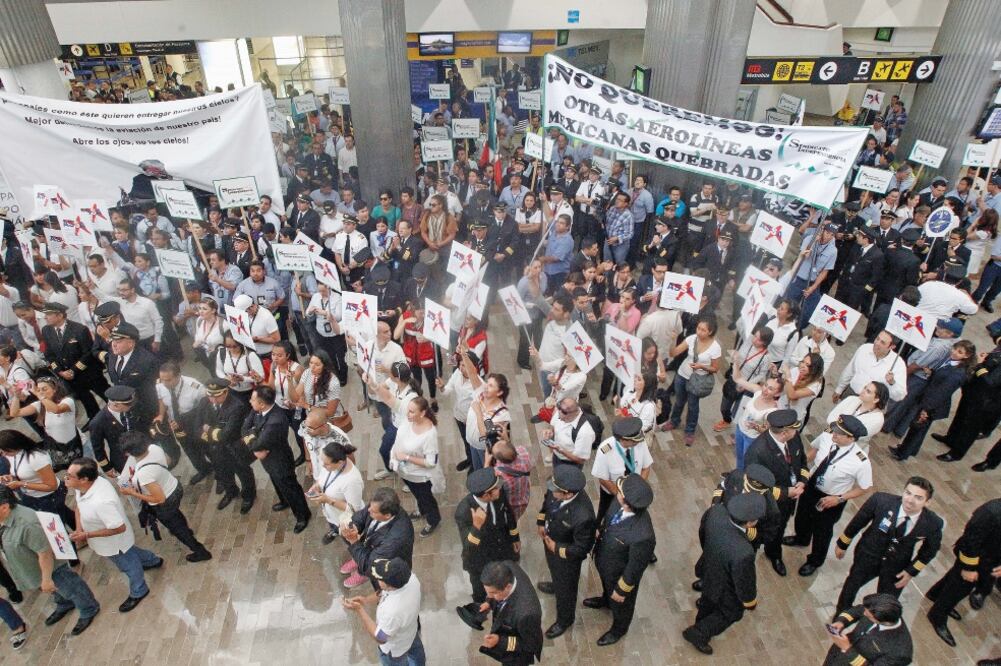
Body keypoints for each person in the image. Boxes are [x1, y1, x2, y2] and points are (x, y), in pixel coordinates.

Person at [833, 477, 944, 616]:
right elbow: (858, 521)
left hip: (897, 567)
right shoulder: (880, 500)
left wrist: (911, 571)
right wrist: (842, 544)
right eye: (908, 493)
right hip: (868, 555)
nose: (910, 500)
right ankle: (841, 615)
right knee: (851, 586)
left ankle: (874, 624)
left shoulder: (933, 523)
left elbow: (930, 550)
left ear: (927, 502)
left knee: (887, 603)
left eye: (918, 497)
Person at [65, 457, 163, 613]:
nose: (65, 478)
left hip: (114, 543)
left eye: (69, 476)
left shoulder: (101, 502)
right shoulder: (84, 487)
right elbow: (79, 507)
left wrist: (87, 534)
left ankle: (139, 590)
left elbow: (119, 527)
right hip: (105, 541)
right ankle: (152, 560)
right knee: (131, 553)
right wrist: (79, 529)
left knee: (128, 565)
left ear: (84, 479)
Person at [0, 486, 99, 636]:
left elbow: (44, 553)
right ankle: (64, 603)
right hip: (32, 566)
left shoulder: (26, 524)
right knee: (55, 590)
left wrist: (46, 579)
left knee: (69, 586)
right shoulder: (5, 517)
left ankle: (89, 608)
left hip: (49, 567)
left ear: (4, 507)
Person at [785, 416, 872, 576]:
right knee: (802, 516)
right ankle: (801, 538)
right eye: (836, 429)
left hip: (832, 498)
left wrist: (839, 499)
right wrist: (799, 472)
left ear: (851, 438)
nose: (835, 433)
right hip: (811, 486)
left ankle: (815, 560)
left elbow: (865, 488)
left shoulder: (860, 461)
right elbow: (813, 451)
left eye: (840, 433)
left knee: (822, 531)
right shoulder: (827, 435)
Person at [682, 493, 765, 656]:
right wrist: (750, 601)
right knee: (731, 612)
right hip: (723, 585)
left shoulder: (716, 512)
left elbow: (703, 532)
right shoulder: (744, 551)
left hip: (708, 569)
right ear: (750, 523)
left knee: (707, 602)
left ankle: (701, 622)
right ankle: (698, 633)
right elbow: (744, 580)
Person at [583, 474, 656, 646]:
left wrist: (622, 590)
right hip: (604, 561)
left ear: (627, 502)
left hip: (619, 575)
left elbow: (635, 567)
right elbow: (608, 520)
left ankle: (619, 629)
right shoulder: (617, 503)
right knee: (607, 587)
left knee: (622, 606)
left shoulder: (643, 535)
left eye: (621, 492)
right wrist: (600, 530)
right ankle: (606, 600)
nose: (618, 492)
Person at [116, 433, 212, 563]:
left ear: (128, 453)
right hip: (174, 486)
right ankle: (184, 528)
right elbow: (168, 461)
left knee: (177, 528)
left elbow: (159, 499)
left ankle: (200, 551)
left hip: (166, 501)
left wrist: (132, 492)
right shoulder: (154, 448)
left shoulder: (143, 474)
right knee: (176, 516)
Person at [925, 498, 1001, 647]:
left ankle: (934, 594)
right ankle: (937, 615)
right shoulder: (991, 512)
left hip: (991, 559)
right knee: (960, 587)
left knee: (954, 577)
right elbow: (970, 540)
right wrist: (969, 568)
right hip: (974, 558)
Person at [743, 409, 806, 577]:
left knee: (779, 530)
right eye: (794, 429)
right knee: (757, 535)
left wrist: (802, 480)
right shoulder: (758, 452)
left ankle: (774, 554)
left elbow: (802, 461)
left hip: (787, 502)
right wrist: (786, 493)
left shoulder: (794, 438)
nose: (796, 431)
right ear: (784, 432)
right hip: (767, 505)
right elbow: (755, 486)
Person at [455, 468, 521, 630]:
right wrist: (477, 526)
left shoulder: (499, 494)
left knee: (505, 580)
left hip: (502, 549)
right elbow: (468, 548)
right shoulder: (464, 511)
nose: (500, 488)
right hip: (480, 560)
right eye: (496, 488)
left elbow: (508, 514)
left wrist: (514, 536)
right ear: (486, 495)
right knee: (480, 588)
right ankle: (480, 610)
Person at [535, 465, 596, 639]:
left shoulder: (583, 516)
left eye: (555, 491)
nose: (551, 490)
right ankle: (556, 585)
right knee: (555, 572)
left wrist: (556, 548)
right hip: (551, 543)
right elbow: (546, 505)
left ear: (567, 494)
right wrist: (541, 522)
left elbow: (582, 549)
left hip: (567, 558)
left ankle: (565, 620)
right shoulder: (556, 488)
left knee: (567, 590)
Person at [241, 386, 311, 533]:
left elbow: (257, 444)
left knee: (291, 488)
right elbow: (245, 427)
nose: (250, 402)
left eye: (252, 400)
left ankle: (302, 516)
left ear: (262, 404)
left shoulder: (275, 421)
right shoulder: (257, 409)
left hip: (280, 461)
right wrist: (253, 437)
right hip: (268, 460)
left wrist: (252, 436)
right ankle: (284, 501)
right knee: (277, 483)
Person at [890, 340, 974, 461]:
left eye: (960, 352)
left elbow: (942, 392)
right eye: (955, 349)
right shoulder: (952, 363)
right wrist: (932, 373)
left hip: (932, 404)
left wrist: (926, 409)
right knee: (919, 429)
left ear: (966, 356)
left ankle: (902, 453)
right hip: (930, 400)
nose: (954, 352)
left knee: (916, 428)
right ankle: (910, 449)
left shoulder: (957, 373)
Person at [342, 557, 426, 666]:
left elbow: (381, 637)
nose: (377, 580)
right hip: (411, 632)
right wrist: (366, 600)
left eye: (379, 579)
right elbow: (385, 592)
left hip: (395, 649)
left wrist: (359, 610)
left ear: (388, 584)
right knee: (417, 655)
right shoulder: (411, 579)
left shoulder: (392, 612)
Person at [195, 378, 255, 513]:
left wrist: (209, 430)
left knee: (243, 473)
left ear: (225, 392)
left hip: (234, 448)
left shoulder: (237, 406)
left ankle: (248, 496)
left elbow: (226, 434)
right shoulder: (205, 402)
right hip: (215, 448)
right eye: (210, 396)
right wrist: (208, 434)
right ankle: (231, 492)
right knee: (223, 472)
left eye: (217, 397)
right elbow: (198, 425)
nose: (213, 400)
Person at [39, 302, 106, 420]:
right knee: (86, 400)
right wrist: (59, 371)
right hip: (70, 377)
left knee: (105, 393)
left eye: (49, 314)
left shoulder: (79, 329)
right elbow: (49, 354)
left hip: (89, 372)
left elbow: (88, 353)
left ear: (60, 315)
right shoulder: (46, 330)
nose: (45, 317)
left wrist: (73, 370)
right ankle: (96, 420)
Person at [340, 487, 415, 591]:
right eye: (370, 506)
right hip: (372, 547)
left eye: (373, 511)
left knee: (376, 582)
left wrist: (354, 542)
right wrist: (353, 526)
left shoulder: (395, 540)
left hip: (385, 568)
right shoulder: (377, 507)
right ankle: (358, 559)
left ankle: (362, 573)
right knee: (359, 552)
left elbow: (371, 565)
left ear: (387, 515)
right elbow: (361, 516)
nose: (368, 510)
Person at [665, 314, 722, 446]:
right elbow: (673, 353)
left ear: (710, 332)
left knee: (692, 406)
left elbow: (715, 368)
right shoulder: (691, 339)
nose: (699, 332)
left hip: (697, 380)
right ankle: (674, 421)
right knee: (679, 401)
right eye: (698, 328)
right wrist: (673, 340)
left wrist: (702, 366)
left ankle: (690, 431)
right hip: (682, 374)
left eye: (703, 330)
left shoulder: (715, 347)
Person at [389, 396, 442, 538]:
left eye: (412, 412)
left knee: (426, 498)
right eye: (408, 410)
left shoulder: (429, 434)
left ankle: (433, 520)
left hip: (420, 476)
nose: (408, 414)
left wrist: (406, 457)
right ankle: (422, 510)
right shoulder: (408, 421)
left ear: (422, 413)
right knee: (417, 495)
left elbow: (431, 462)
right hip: (406, 472)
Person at [0, 430, 75, 528]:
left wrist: (21, 484)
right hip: (31, 496)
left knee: (56, 527)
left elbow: (51, 486)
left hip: (48, 497)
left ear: (14, 446)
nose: (4, 455)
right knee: (63, 513)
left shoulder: (36, 457)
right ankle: (79, 527)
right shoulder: (13, 455)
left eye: (6, 451)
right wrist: (11, 477)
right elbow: (21, 471)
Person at [6, 375, 81, 472]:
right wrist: (16, 396)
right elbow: (14, 413)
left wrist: (39, 395)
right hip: (59, 449)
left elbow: (56, 409)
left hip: (76, 445)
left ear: (55, 389)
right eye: (39, 390)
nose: (41, 392)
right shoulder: (39, 405)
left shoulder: (67, 401)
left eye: (44, 389)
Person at [475, 560, 544, 664]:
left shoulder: (527, 614)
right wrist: (489, 602)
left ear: (508, 587)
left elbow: (531, 645)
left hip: (517, 656)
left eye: (493, 593)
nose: (489, 596)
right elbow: (493, 593)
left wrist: (500, 641)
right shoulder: (507, 566)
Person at [152, 360, 212, 481]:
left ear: (178, 376)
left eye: (168, 380)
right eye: (162, 379)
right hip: (177, 425)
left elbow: (206, 407)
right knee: (189, 449)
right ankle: (203, 469)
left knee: (208, 449)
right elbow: (162, 399)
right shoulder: (160, 385)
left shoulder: (195, 387)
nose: (164, 383)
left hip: (196, 424)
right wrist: (161, 415)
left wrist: (185, 419)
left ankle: (221, 475)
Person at [826, 593, 913, 666]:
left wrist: (847, 649)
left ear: (882, 621)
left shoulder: (901, 653)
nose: (863, 613)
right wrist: (842, 621)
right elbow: (857, 611)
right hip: (835, 655)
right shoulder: (875, 608)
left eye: (868, 616)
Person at [105, 322, 162, 423]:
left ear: (131, 343)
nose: (113, 344)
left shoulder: (147, 361)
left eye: (118, 341)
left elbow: (153, 391)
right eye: (113, 340)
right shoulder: (113, 354)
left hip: (144, 408)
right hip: (124, 407)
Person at [731, 375, 783, 469]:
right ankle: (738, 473)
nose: (765, 389)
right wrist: (736, 365)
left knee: (747, 461)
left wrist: (755, 427)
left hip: (751, 438)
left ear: (777, 394)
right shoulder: (758, 392)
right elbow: (737, 378)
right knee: (739, 456)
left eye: (770, 389)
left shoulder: (772, 411)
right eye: (765, 385)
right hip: (740, 429)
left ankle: (743, 476)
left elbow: (767, 431)